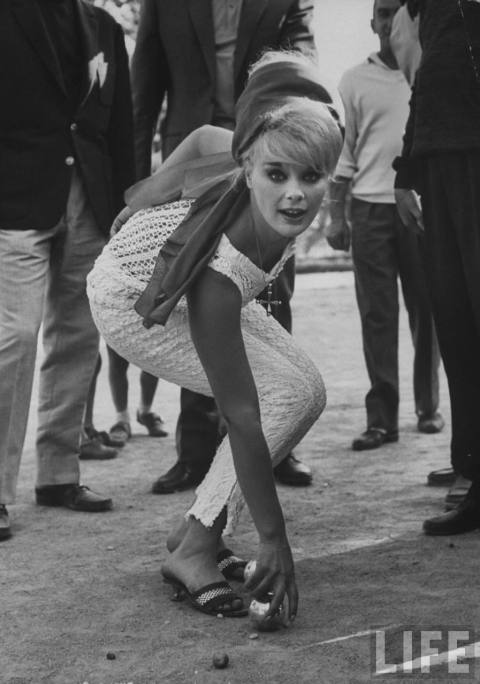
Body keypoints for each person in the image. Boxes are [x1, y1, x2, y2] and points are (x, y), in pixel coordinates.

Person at [87, 51, 343, 618]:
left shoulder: (262, 148)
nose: (294, 193)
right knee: (275, 399)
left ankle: (194, 529)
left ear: (331, 173)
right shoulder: (221, 273)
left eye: (311, 176)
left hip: (187, 283)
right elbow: (241, 415)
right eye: (277, 175)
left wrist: (153, 192)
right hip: (131, 301)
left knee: (306, 393)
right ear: (248, 168)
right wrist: (275, 539)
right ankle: (196, 549)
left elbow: (204, 136)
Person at [131, 0, 317, 493]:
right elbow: (143, 95)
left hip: (270, 158)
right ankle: (195, 451)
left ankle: (277, 444)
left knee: (271, 297)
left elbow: (303, 72)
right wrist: (142, 186)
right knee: (191, 294)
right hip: (195, 161)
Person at [0, 0, 135, 541]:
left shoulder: (105, 27)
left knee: (78, 337)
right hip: (15, 203)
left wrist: (126, 207)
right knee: (16, 336)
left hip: (91, 204)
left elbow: (121, 125)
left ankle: (58, 474)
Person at [327, 0, 442, 452]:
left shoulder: (429, 70)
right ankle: (381, 420)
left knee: (427, 309)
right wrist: (336, 215)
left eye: (397, 10)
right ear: (372, 21)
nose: (389, 20)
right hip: (369, 209)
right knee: (377, 314)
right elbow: (345, 153)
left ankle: (428, 407)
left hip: (419, 207)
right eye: (382, 11)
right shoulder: (354, 80)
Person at [394, 0, 480, 535]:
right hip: (438, 164)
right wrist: (406, 170)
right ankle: (474, 479)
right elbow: (427, 81)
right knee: (457, 323)